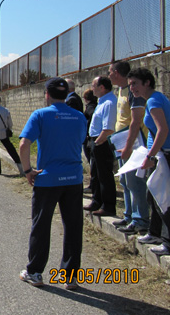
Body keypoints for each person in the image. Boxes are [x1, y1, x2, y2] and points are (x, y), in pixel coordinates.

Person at [18, 77, 87, 289]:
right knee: (73, 226)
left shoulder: (40, 114)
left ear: (46, 94)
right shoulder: (79, 117)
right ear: (66, 94)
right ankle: (71, 276)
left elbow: (23, 144)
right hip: (74, 179)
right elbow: (81, 141)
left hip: (47, 179)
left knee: (41, 225)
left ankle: (35, 272)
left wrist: (28, 170)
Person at [127, 68, 170, 256]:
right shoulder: (154, 100)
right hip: (159, 155)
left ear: (147, 82)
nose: (131, 88)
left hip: (163, 156)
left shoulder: (154, 101)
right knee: (153, 196)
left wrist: (150, 157)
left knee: (165, 200)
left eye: (135, 84)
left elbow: (162, 130)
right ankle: (155, 233)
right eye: (130, 84)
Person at [108, 61, 149, 234]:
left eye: (110, 72)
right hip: (123, 144)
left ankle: (140, 220)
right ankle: (129, 215)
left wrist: (128, 146)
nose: (108, 75)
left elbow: (136, 121)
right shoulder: (120, 90)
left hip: (134, 145)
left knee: (135, 182)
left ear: (116, 73)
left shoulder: (135, 94)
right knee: (125, 181)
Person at [84, 76, 118, 216]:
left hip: (102, 142)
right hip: (96, 141)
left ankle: (108, 206)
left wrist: (97, 142)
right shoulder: (101, 101)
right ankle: (97, 201)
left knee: (105, 175)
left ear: (102, 87)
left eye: (94, 86)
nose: (92, 89)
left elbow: (108, 128)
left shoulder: (109, 103)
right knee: (96, 175)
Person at [82, 89, 98, 193]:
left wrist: (88, 128)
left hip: (89, 137)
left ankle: (93, 186)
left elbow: (92, 116)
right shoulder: (96, 105)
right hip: (90, 136)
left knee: (92, 162)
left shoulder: (91, 107)